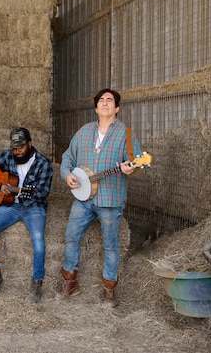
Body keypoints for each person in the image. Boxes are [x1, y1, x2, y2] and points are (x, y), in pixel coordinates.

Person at [59, 88, 142, 307]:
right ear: (96, 108)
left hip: (110, 200)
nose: (105, 103)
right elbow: (67, 156)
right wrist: (67, 175)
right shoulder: (84, 131)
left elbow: (138, 160)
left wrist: (131, 168)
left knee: (110, 245)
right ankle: (70, 282)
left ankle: (109, 290)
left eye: (110, 100)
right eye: (101, 100)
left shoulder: (126, 133)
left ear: (117, 108)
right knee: (71, 236)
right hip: (83, 199)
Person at [0, 127, 53, 303]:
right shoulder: (7, 156)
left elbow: (41, 193)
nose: (18, 151)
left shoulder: (43, 164)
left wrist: (14, 190)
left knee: (37, 238)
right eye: (15, 148)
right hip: (10, 205)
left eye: (21, 147)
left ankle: (36, 284)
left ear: (30, 144)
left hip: (34, 207)